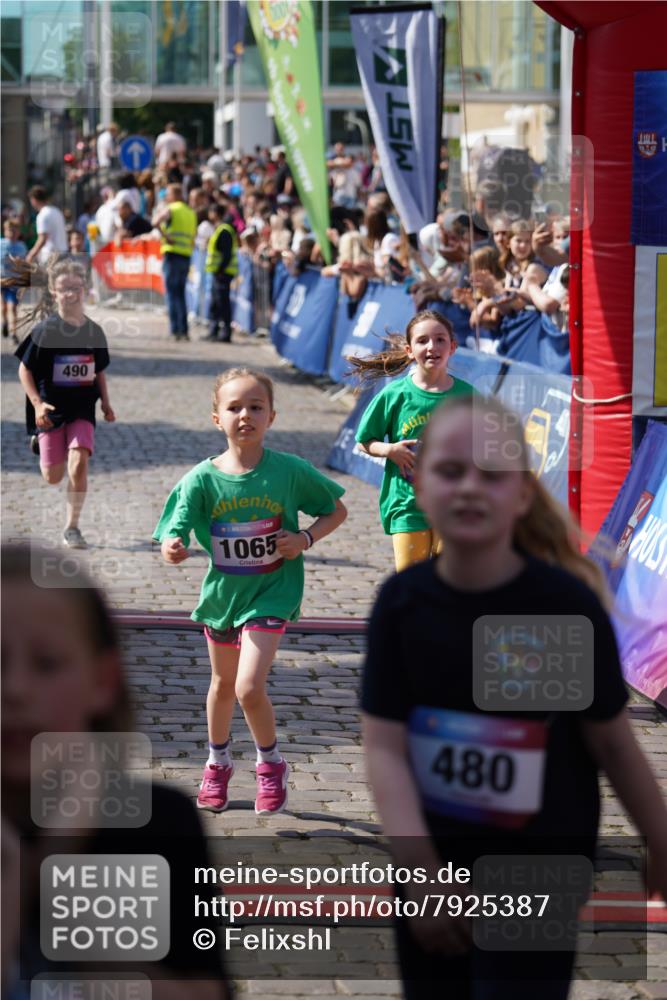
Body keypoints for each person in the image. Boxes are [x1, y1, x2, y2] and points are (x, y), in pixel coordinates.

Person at [362, 394, 667, 1000]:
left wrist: (659, 838)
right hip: (433, 858)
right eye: (451, 471)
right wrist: (421, 874)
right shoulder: (403, 606)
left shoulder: (560, 606)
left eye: (492, 473)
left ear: (523, 493)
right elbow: (386, 750)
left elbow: (609, 739)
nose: (471, 487)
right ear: (419, 488)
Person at [1, 543, 230, 999]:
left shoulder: (159, 825)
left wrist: (65, 872)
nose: (16, 689)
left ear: (102, 681)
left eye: (48, 664)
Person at [154, 368, 347, 815]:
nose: (246, 415)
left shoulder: (290, 471)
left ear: (272, 416)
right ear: (216, 418)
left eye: (256, 407)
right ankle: (217, 762)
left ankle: (270, 763)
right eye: (234, 407)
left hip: (273, 591)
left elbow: (334, 510)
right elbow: (172, 531)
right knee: (221, 686)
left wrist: (305, 540)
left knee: (247, 686)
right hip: (224, 596)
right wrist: (173, 548)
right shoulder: (200, 480)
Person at [350, 310, 474, 571]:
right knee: (411, 583)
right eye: (422, 341)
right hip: (407, 504)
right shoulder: (395, 394)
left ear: (452, 346)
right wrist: (390, 450)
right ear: (409, 350)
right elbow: (364, 440)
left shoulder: (468, 395)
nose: (432, 347)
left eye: (440, 340)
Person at [14, 257, 115, 549]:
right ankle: (40, 442)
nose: (71, 294)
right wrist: (36, 405)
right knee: (52, 476)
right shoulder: (45, 331)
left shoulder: (94, 331)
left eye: (76, 287)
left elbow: (99, 370)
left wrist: (106, 403)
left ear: (85, 289)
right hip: (51, 409)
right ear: (54, 292)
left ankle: (72, 527)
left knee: (79, 463)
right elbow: (25, 369)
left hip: (83, 407)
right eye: (64, 289)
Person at [152, 183, 197, 341]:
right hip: (186, 255)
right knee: (181, 294)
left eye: (168, 194)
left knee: (172, 294)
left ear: (175, 195)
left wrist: (165, 235)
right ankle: (184, 330)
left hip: (172, 254)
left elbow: (155, 221)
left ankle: (175, 330)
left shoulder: (171, 208)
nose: (166, 197)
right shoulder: (190, 212)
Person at [203, 202, 239, 343]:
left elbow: (226, 254)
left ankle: (225, 333)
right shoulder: (220, 229)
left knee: (222, 304)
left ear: (215, 213)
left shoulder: (224, 230)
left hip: (222, 274)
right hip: (219, 273)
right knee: (215, 304)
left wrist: (219, 270)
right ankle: (214, 331)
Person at [25, 187, 68, 265]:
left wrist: (31, 255)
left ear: (34, 200)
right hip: (63, 254)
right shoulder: (57, 211)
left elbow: (42, 238)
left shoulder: (42, 215)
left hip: (51, 257)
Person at [1, 218, 27, 341]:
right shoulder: (1, 244)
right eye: (9, 230)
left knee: (12, 307)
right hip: (2, 279)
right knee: (3, 307)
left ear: (18, 232)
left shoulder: (21, 246)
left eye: (14, 230)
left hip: (14, 281)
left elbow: (26, 264)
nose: (11, 233)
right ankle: (5, 322)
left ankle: (13, 332)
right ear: (4, 231)